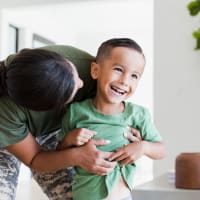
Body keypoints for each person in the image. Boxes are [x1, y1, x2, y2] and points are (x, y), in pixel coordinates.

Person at [0, 45, 125, 200]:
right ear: (47, 107)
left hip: (57, 128)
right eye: (73, 90)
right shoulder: (4, 113)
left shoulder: (84, 65)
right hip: (6, 137)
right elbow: (34, 158)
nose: (81, 83)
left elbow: (117, 101)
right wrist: (77, 156)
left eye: (76, 74)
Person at [58, 38, 166, 200]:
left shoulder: (137, 114)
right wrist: (69, 139)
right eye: (118, 69)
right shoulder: (76, 111)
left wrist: (143, 147)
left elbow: (161, 150)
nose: (124, 81)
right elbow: (60, 153)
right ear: (95, 71)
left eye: (134, 76)